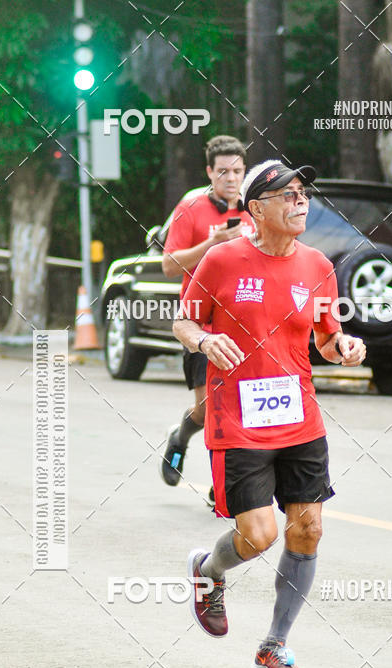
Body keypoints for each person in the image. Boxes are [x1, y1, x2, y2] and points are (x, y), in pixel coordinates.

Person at [173, 159, 366, 668]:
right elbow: (184, 320)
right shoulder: (221, 260)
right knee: (258, 536)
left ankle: (274, 644)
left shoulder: (318, 266)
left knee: (308, 530)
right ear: (257, 209)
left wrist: (345, 347)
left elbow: (326, 338)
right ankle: (209, 571)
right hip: (238, 421)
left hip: (301, 421)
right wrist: (204, 340)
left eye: (303, 194)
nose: (300, 202)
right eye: (288, 195)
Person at [160, 135, 254, 489]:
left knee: (242, 406)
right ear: (210, 172)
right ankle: (180, 434)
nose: (231, 178)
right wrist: (212, 243)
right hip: (201, 323)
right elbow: (169, 265)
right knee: (208, 409)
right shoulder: (191, 207)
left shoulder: (255, 208)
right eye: (223, 171)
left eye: (237, 171)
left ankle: (224, 484)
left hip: (246, 321)